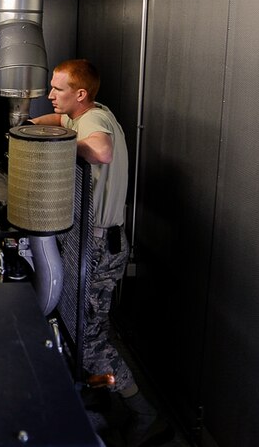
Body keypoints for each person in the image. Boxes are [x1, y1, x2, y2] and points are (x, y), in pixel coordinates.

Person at [29, 59, 165, 446]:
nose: (50, 95)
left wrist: (53, 142)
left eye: (57, 90)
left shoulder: (94, 124)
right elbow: (60, 123)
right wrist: (28, 126)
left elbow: (101, 151)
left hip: (101, 246)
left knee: (89, 340)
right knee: (76, 325)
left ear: (81, 94)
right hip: (88, 240)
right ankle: (97, 389)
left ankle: (145, 415)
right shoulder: (83, 114)